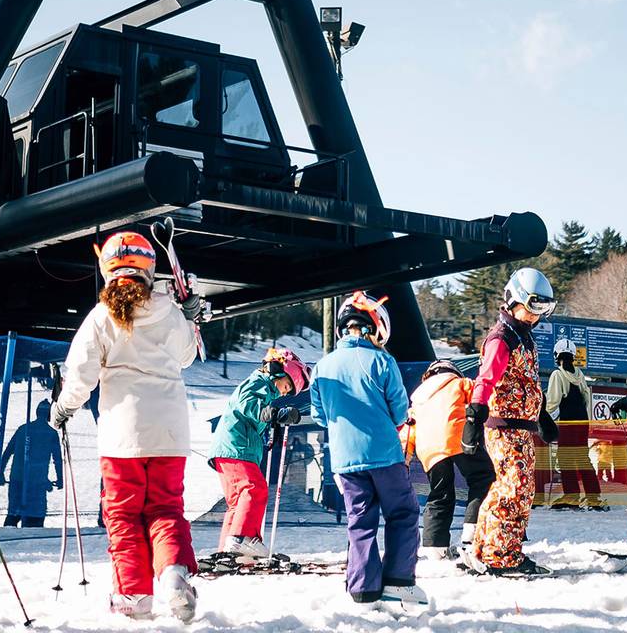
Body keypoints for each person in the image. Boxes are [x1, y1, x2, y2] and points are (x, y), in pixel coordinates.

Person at [50, 231, 207, 622]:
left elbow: (80, 376)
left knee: (122, 515)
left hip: (122, 436)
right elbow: (188, 357)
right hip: (170, 432)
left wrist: (62, 409)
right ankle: (172, 573)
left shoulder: (101, 317)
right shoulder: (169, 311)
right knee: (165, 508)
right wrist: (190, 319)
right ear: (150, 270)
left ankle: (134, 594)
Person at [308, 291, 431, 612]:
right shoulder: (382, 361)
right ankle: (399, 581)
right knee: (402, 513)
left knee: (360, 520)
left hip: (345, 461)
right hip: (384, 456)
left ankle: (363, 589)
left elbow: (321, 415)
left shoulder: (322, 367)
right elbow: (400, 412)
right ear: (375, 326)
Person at [462, 267, 558, 576]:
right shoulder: (502, 337)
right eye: (532, 307)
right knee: (514, 488)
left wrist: (540, 414)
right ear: (514, 298)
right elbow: (486, 377)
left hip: (521, 425)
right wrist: (475, 415)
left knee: (516, 488)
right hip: (505, 425)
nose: (535, 315)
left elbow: (525, 381)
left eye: (543, 309)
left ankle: (486, 548)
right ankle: (501, 556)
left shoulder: (523, 337)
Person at [207, 347, 308, 561]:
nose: (284, 392)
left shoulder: (265, 388)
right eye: (287, 386)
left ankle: (229, 551)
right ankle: (243, 537)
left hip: (232, 449)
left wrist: (272, 421)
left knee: (237, 501)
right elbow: (246, 404)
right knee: (254, 488)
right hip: (237, 448)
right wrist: (271, 413)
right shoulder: (259, 381)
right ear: (278, 371)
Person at [406, 359, 493, 560]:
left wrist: (406, 458)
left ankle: (435, 547)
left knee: (439, 493)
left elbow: (410, 428)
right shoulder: (460, 383)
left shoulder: (418, 398)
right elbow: (482, 399)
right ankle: (473, 531)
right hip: (458, 437)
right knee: (482, 478)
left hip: (428, 448)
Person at [545, 337, 601, 510]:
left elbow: (553, 401)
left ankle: (572, 495)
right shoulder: (579, 374)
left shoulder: (558, 374)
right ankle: (594, 497)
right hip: (582, 421)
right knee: (582, 458)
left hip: (568, 422)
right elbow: (586, 398)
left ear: (557, 355)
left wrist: (543, 417)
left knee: (566, 458)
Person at [0, 402, 63, 527]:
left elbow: (7, 453)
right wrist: (60, 478)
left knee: (13, 514)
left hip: (17, 479)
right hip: (37, 483)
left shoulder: (23, 429)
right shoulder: (51, 433)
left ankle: (6, 540)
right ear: (49, 415)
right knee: (35, 519)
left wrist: (0, 473)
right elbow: (58, 460)